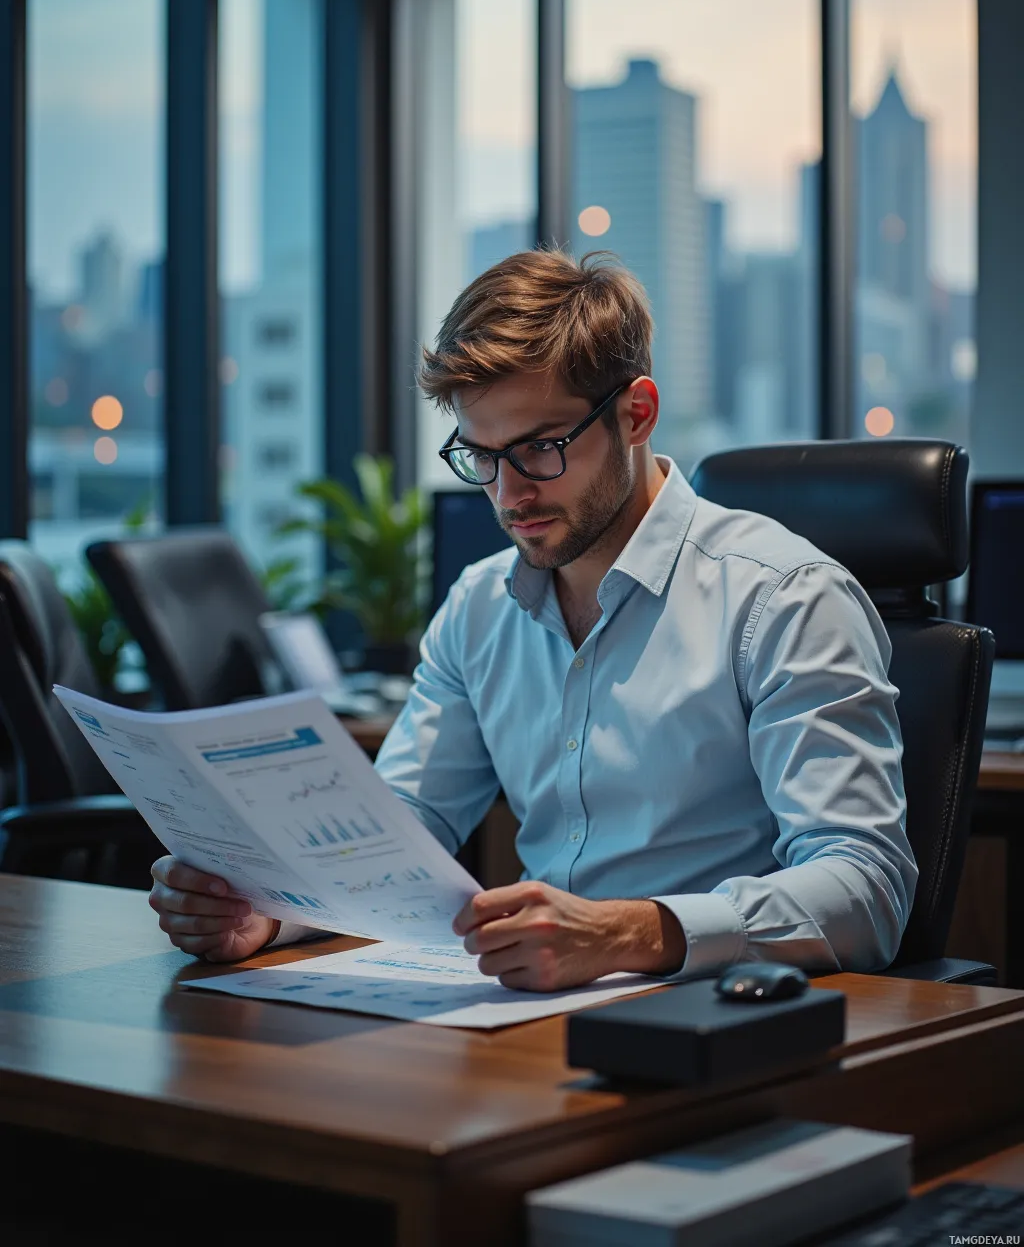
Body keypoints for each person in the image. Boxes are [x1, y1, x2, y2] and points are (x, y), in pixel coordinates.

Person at [149, 249, 917, 990]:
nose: (509, 494)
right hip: (530, 1017)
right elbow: (397, 839)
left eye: (540, 448)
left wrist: (629, 933)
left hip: (721, 1022)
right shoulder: (480, 607)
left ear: (637, 413)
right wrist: (272, 917)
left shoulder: (784, 598)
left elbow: (867, 885)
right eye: (479, 456)